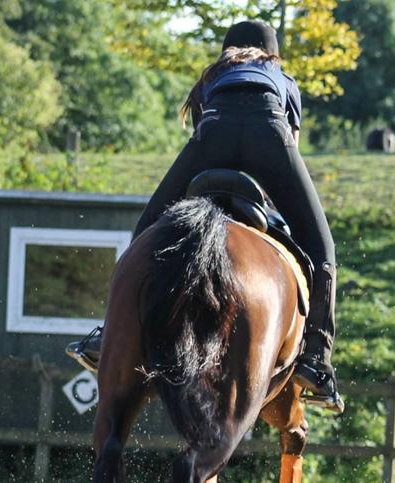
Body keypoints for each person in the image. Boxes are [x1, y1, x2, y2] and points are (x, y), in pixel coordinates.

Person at [68, 20, 342, 412]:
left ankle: (111, 335)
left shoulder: (213, 76)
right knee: (322, 248)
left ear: (227, 50)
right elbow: (292, 144)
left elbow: (209, 166)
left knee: (145, 231)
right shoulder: (283, 78)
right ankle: (317, 360)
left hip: (214, 132)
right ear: (273, 53)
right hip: (270, 133)